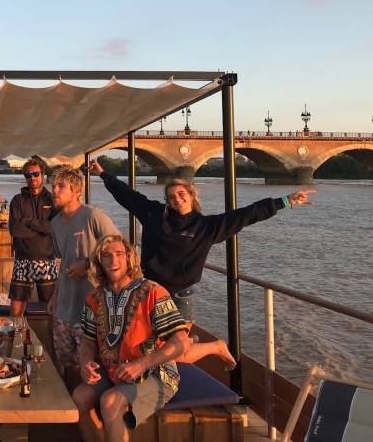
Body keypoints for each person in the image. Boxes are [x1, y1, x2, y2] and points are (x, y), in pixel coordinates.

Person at [88, 159, 315, 365]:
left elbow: (247, 215)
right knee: (149, 348)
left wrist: (286, 200)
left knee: (178, 354)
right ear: (166, 201)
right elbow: (126, 195)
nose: (176, 200)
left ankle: (215, 346)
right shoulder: (154, 215)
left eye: (181, 194)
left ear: (191, 195)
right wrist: (103, 173)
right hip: (151, 292)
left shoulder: (207, 227)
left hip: (181, 297)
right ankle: (186, 348)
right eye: (171, 197)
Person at [73, 235, 190, 442]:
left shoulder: (153, 292)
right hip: (113, 371)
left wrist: (142, 364)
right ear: (99, 262)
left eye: (119, 254)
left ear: (129, 259)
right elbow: (88, 340)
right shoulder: (94, 298)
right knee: (80, 397)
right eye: (106, 256)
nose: (113, 261)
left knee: (110, 402)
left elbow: (181, 341)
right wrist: (85, 363)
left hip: (156, 374)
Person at [48, 167, 121, 390]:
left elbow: (120, 251)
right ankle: (69, 411)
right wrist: (54, 296)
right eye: (53, 186)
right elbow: (63, 265)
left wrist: (88, 264)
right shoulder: (55, 223)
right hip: (64, 309)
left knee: (91, 369)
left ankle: (87, 413)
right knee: (66, 364)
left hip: (91, 310)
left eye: (60, 186)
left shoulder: (93, 216)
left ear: (76, 190)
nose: (55, 191)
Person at [8, 159, 58, 317]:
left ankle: (52, 340)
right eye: (28, 175)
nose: (32, 178)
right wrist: (43, 229)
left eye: (36, 174)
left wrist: (28, 222)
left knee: (51, 303)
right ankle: (15, 335)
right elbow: (15, 230)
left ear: (42, 175)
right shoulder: (17, 200)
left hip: (47, 259)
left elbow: (54, 229)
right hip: (22, 259)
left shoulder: (51, 199)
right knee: (17, 301)